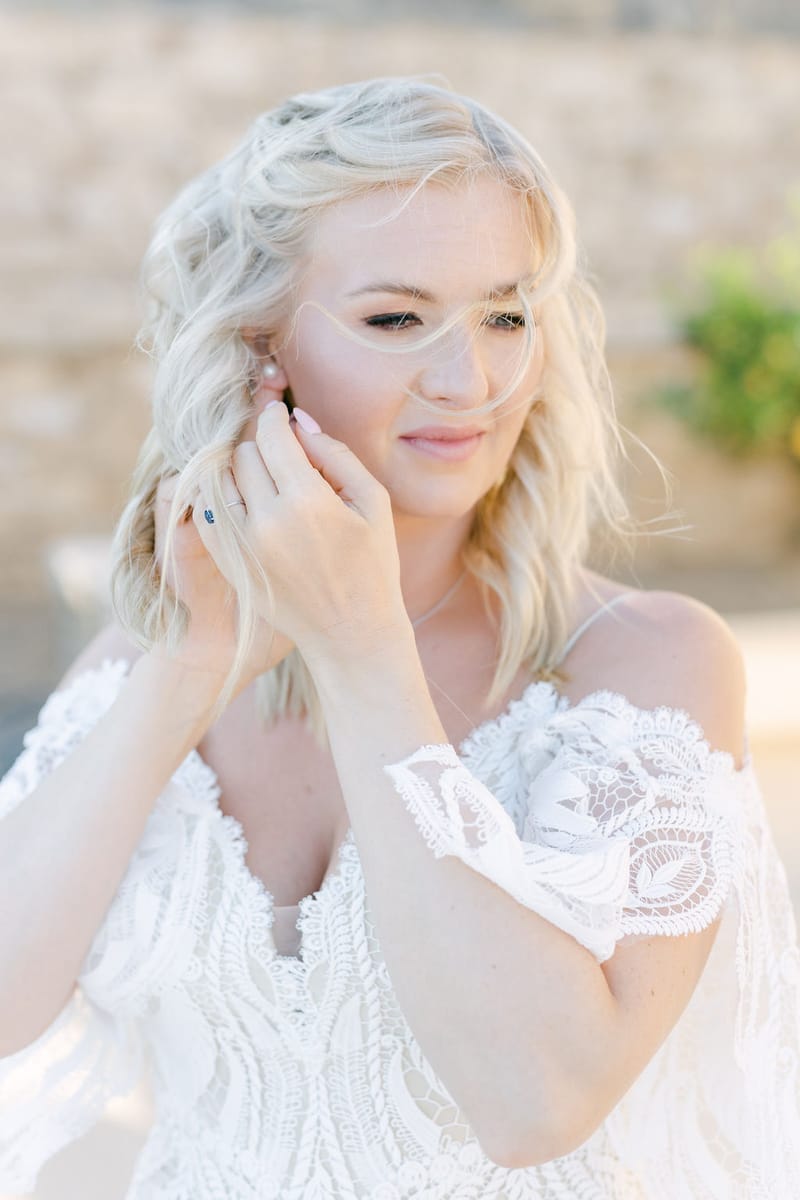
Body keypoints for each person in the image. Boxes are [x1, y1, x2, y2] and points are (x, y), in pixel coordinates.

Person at [0, 75, 798, 1200]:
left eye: (505, 314)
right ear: (252, 347)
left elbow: (535, 1106)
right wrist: (188, 661)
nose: (469, 381)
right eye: (394, 318)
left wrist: (364, 651)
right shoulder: (150, 662)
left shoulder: (643, 664)